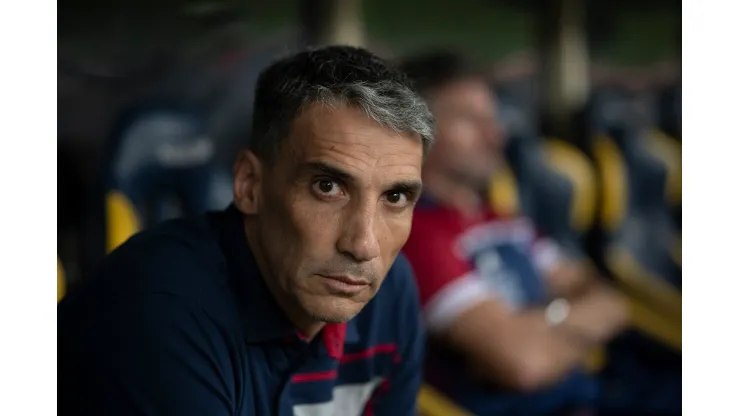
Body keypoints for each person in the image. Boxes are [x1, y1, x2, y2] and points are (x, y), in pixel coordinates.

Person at [58, 45, 434, 416]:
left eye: (396, 196)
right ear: (249, 184)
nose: (363, 244)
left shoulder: (390, 293)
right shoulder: (157, 315)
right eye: (327, 187)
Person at [398, 50, 629, 416]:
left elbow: (612, 303)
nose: (496, 134)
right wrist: (573, 328)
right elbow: (524, 365)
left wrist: (544, 327)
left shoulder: (503, 219)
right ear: (418, 134)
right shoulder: (418, 234)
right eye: (471, 121)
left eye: (493, 118)